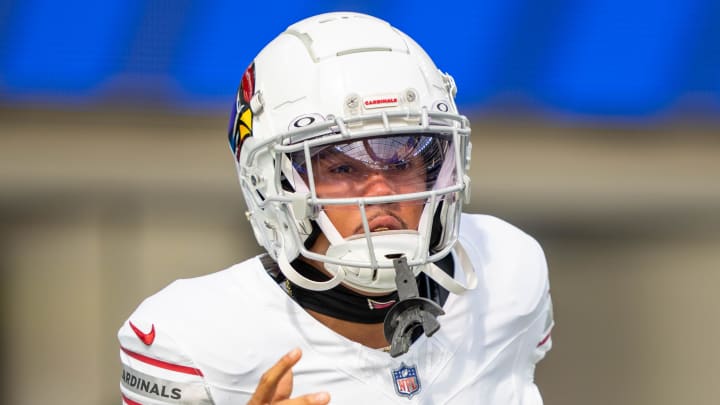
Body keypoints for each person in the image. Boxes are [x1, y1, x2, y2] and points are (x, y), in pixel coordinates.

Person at [118, 11, 553, 405]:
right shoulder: (192, 335)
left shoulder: (508, 272)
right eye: (343, 166)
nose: (381, 190)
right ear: (271, 181)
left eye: (401, 161)